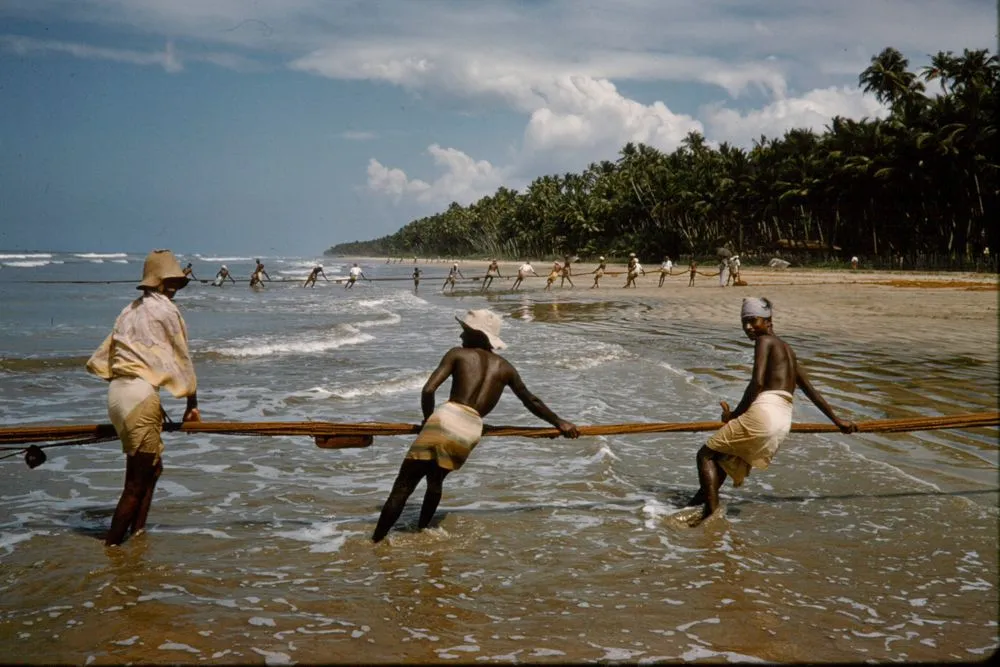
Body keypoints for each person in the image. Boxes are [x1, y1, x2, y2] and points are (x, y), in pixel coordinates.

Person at [372, 309, 580, 542]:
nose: (461, 337)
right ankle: (422, 530)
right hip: (471, 429)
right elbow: (531, 401)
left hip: (445, 419)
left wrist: (427, 420)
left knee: (402, 487)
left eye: (465, 332)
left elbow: (428, 390)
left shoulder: (457, 354)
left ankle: (375, 543)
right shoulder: (506, 368)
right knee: (436, 480)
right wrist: (559, 422)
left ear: (477, 335)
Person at [683, 297, 857, 526]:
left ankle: (710, 512)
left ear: (768, 320)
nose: (748, 327)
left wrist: (734, 415)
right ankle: (699, 500)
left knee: (704, 454)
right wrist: (838, 421)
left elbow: (756, 383)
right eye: (744, 322)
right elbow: (810, 390)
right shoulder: (788, 350)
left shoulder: (764, 341)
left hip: (764, 413)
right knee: (724, 456)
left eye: (752, 320)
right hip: (783, 420)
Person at [85, 250, 200, 546]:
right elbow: (181, 357)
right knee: (134, 484)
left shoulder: (129, 310)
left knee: (153, 467)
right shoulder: (166, 310)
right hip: (140, 398)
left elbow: (110, 356)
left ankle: (137, 535)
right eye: (171, 281)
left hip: (118, 396)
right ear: (161, 282)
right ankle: (112, 549)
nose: (175, 288)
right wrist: (192, 405)